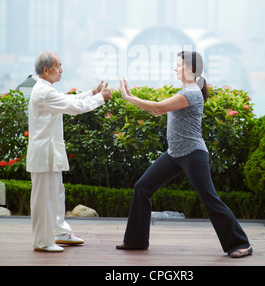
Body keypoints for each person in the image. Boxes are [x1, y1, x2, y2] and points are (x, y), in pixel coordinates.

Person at [117, 51, 253, 258]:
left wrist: (128, 97)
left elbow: (156, 106)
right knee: (142, 188)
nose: (175, 68)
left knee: (209, 199)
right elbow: (157, 111)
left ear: (191, 69)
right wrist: (134, 99)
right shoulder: (186, 90)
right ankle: (136, 241)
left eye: (179, 65)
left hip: (193, 154)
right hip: (174, 154)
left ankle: (240, 243)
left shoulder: (191, 93)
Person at [26, 50, 112, 252]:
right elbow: (74, 107)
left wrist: (92, 93)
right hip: (44, 154)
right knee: (44, 200)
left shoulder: (46, 89)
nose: (61, 70)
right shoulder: (45, 92)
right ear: (46, 69)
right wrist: (100, 98)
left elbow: (68, 100)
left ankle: (60, 233)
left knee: (55, 196)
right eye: (58, 66)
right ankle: (43, 241)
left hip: (49, 153)